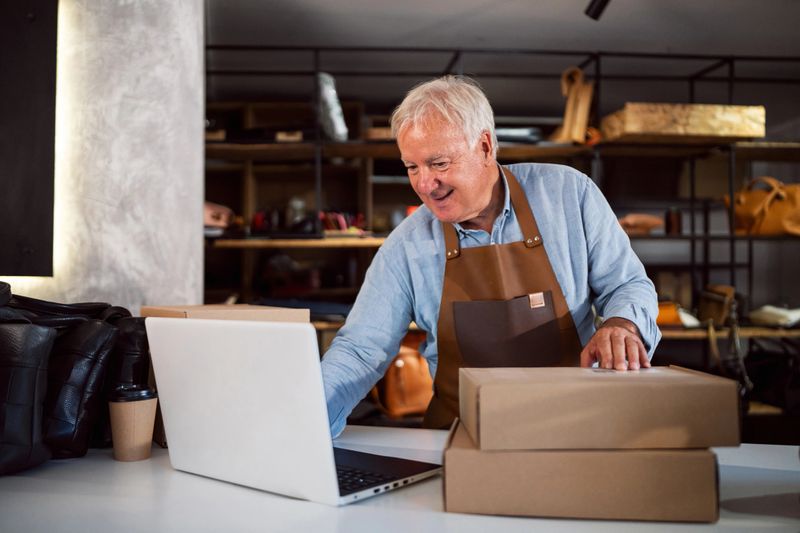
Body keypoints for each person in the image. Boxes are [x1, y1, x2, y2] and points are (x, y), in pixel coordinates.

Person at [321, 76, 660, 437]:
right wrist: (303, 415)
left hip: (574, 431)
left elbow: (627, 284)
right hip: (461, 438)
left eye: (438, 164)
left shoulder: (568, 195)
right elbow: (360, 349)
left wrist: (622, 324)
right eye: (412, 167)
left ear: (484, 146)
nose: (423, 184)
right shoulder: (406, 245)